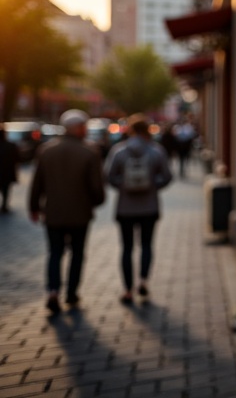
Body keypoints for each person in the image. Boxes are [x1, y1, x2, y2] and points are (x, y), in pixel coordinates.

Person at [27, 110, 105, 314]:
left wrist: (34, 206)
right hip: (80, 212)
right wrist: (97, 201)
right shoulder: (89, 152)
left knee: (55, 253)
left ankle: (53, 291)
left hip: (53, 213)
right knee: (77, 253)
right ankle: (71, 291)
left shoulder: (46, 150)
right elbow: (96, 187)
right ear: (78, 128)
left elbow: (37, 183)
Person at [105, 115, 172, 303]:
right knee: (146, 245)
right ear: (147, 131)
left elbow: (109, 177)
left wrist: (124, 186)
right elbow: (167, 176)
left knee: (126, 248)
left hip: (125, 208)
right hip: (149, 207)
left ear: (130, 131)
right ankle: (143, 281)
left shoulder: (118, 151)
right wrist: (151, 185)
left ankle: (127, 290)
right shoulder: (156, 151)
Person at [0, 130, 17, 213]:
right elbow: (17, 158)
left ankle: (4, 205)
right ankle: (4, 205)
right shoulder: (11, 146)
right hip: (7, 173)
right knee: (6, 190)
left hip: (5, 172)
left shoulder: (11, 145)